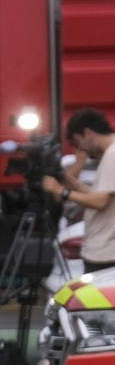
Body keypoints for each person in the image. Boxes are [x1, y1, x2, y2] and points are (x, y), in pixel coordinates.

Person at [43, 108, 115, 273]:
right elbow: (101, 196)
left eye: (77, 142)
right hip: (104, 251)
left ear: (88, 133)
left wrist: (62, 191)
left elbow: (100, 202)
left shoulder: (112, 155)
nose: (80, 149)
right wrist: (72, 182)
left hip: (105, 254)